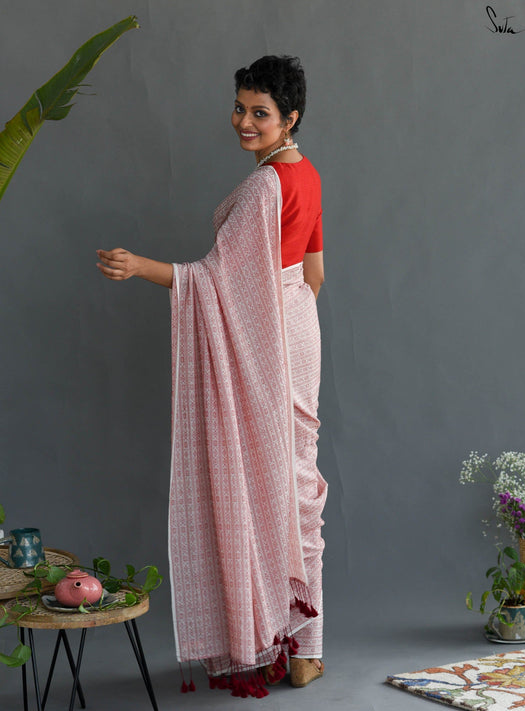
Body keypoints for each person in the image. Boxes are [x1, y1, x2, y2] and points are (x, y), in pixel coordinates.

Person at [96, 55, 327, 696]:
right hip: (298, 331)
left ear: (290, 118)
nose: (245, 122)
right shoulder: (306, 173)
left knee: (270, 484)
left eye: (261, 113)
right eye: (240, 108)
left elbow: (215, 280)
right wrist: (283, 320)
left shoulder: (262, 187)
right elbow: (314, 275)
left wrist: (141, 266)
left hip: (270, 339)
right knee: (298, 488)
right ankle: (306, 647)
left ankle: (285, 641)